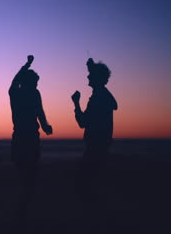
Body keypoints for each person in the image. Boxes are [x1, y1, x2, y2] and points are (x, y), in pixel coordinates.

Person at [71, 58, 118, 230]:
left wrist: (76, 103)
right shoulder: (104, 94)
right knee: (93, 184)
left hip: (95, 149)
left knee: (84, 186)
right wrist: (91, 67)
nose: (87, 78)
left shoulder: (97, 99)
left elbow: (83, 122)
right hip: (102, 147)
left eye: (90, 75)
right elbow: (99, 80)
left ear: (97, 79)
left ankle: (96, 223)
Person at [9, 55, 52, 216]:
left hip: (28, 135)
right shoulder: (16, 92)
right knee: (25, 168)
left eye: (36, 83)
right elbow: (16, 79)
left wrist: (45, 125)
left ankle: (26, 198)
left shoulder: (31, 93)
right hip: (23, 135)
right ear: (27, 82)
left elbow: (39, 111)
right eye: (34, 82)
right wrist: (27, 64)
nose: (36, 85)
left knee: (29, 168)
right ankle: (26, 195)